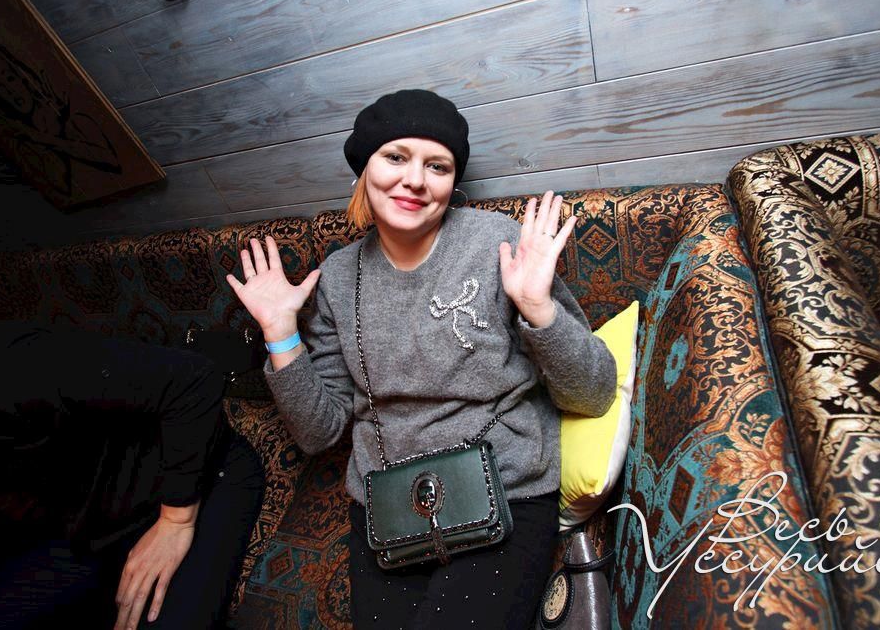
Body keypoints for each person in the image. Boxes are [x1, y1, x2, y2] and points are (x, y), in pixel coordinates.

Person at [227, 89, 616, 628]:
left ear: (453, 182)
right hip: (389, 502)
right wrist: (280, 333)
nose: (415, 180)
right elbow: (318, 433)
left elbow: (595, 394)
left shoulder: (500, 244)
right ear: (364, 168)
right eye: (396, 157)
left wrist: (537, 307)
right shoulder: (338, 276)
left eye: (438, 166)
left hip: (505, 488)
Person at [0, 322, 265, 629]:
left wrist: (175, 521)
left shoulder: (1, 364)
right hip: (85, 526)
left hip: (192, 480)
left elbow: (195, 379)